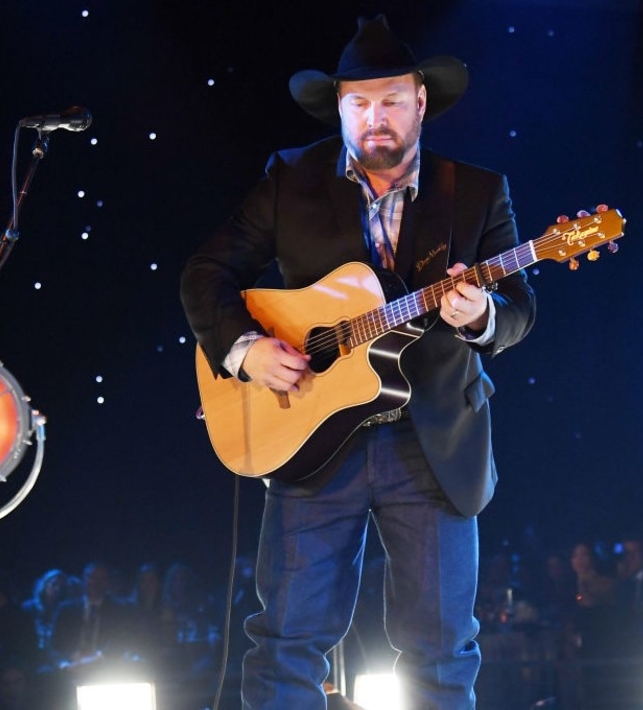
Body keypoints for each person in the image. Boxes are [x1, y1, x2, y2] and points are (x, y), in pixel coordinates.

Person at [180, 14, 538, 708]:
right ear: (340, 106)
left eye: (392, 100)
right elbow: (205, 274)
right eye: (360, 102)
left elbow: (519, 307)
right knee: (285, 644)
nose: (376, 118)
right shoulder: (291, 178)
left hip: (431, 441)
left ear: (421, 102)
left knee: (440, 651)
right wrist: (245, 350)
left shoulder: (478, 191)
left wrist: (482, 317)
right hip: (310, 436)